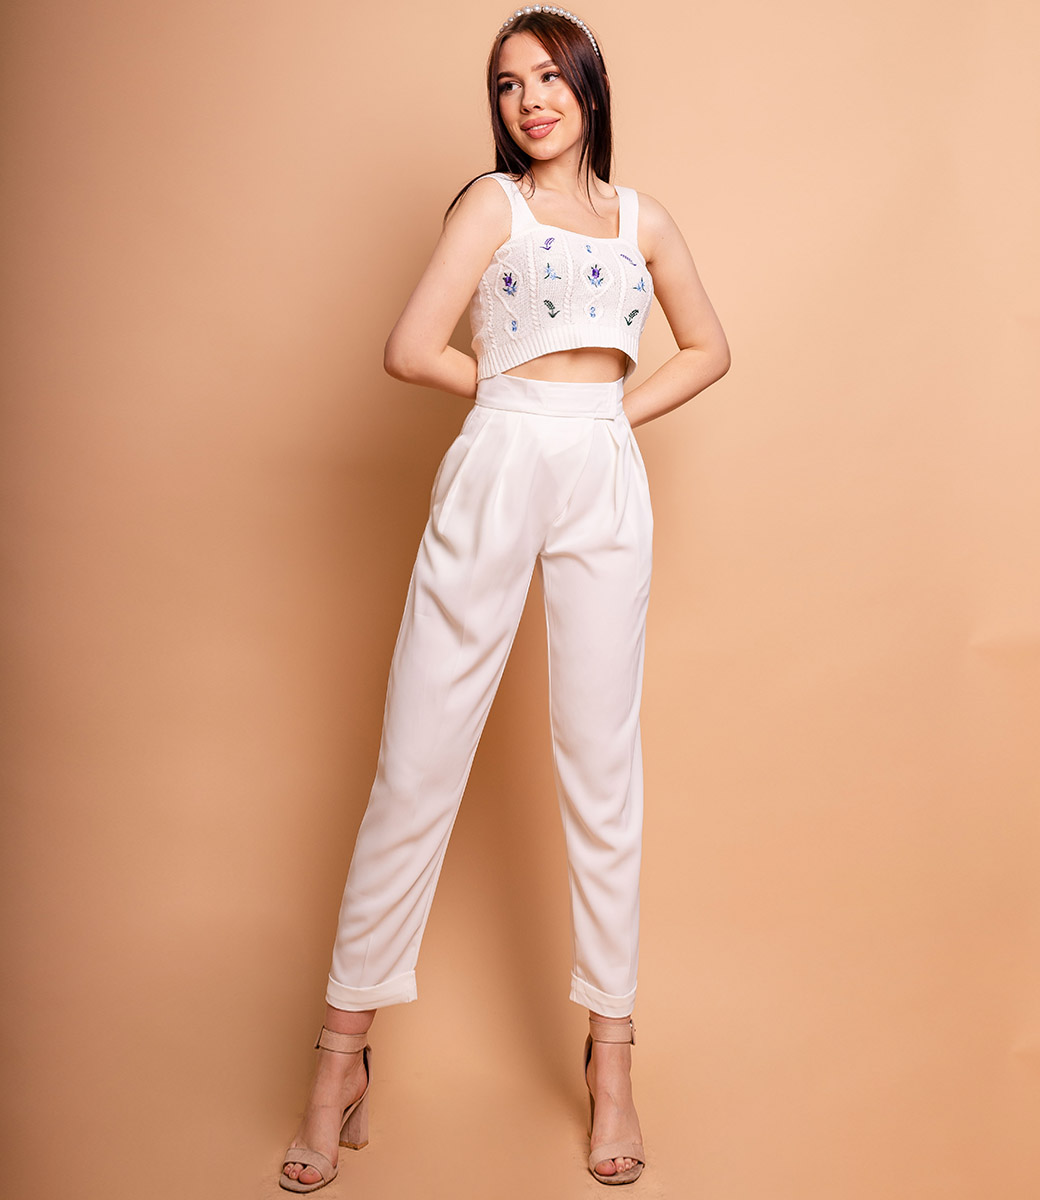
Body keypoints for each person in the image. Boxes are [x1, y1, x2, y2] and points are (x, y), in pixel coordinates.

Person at [279, 6, 730, 1191]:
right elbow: (407, 347)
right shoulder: (491, 206)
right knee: (417, 758)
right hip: (498, 457)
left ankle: (610, 1058)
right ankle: (338, 1056)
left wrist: (602, 417)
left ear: (588, 87)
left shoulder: (642, 220)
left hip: (601, 475)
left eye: (547, 77)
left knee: (602, 764)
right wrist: (517, 399)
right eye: (505, 83)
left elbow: (707, 348)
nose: (529, 99)